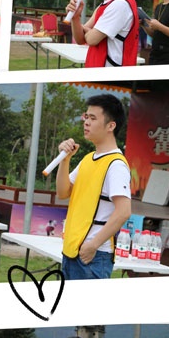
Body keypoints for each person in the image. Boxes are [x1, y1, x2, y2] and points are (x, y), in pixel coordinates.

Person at [56, 94, 131, 280]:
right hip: (72, 250)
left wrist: (93, 245)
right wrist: (65, 160)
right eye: (86, 117)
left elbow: (123, 212)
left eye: (93, 118)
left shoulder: (116, 165)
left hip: (94, 256)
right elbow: (63, 192)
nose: (86, 122)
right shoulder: (88, 159)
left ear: (111, 126)